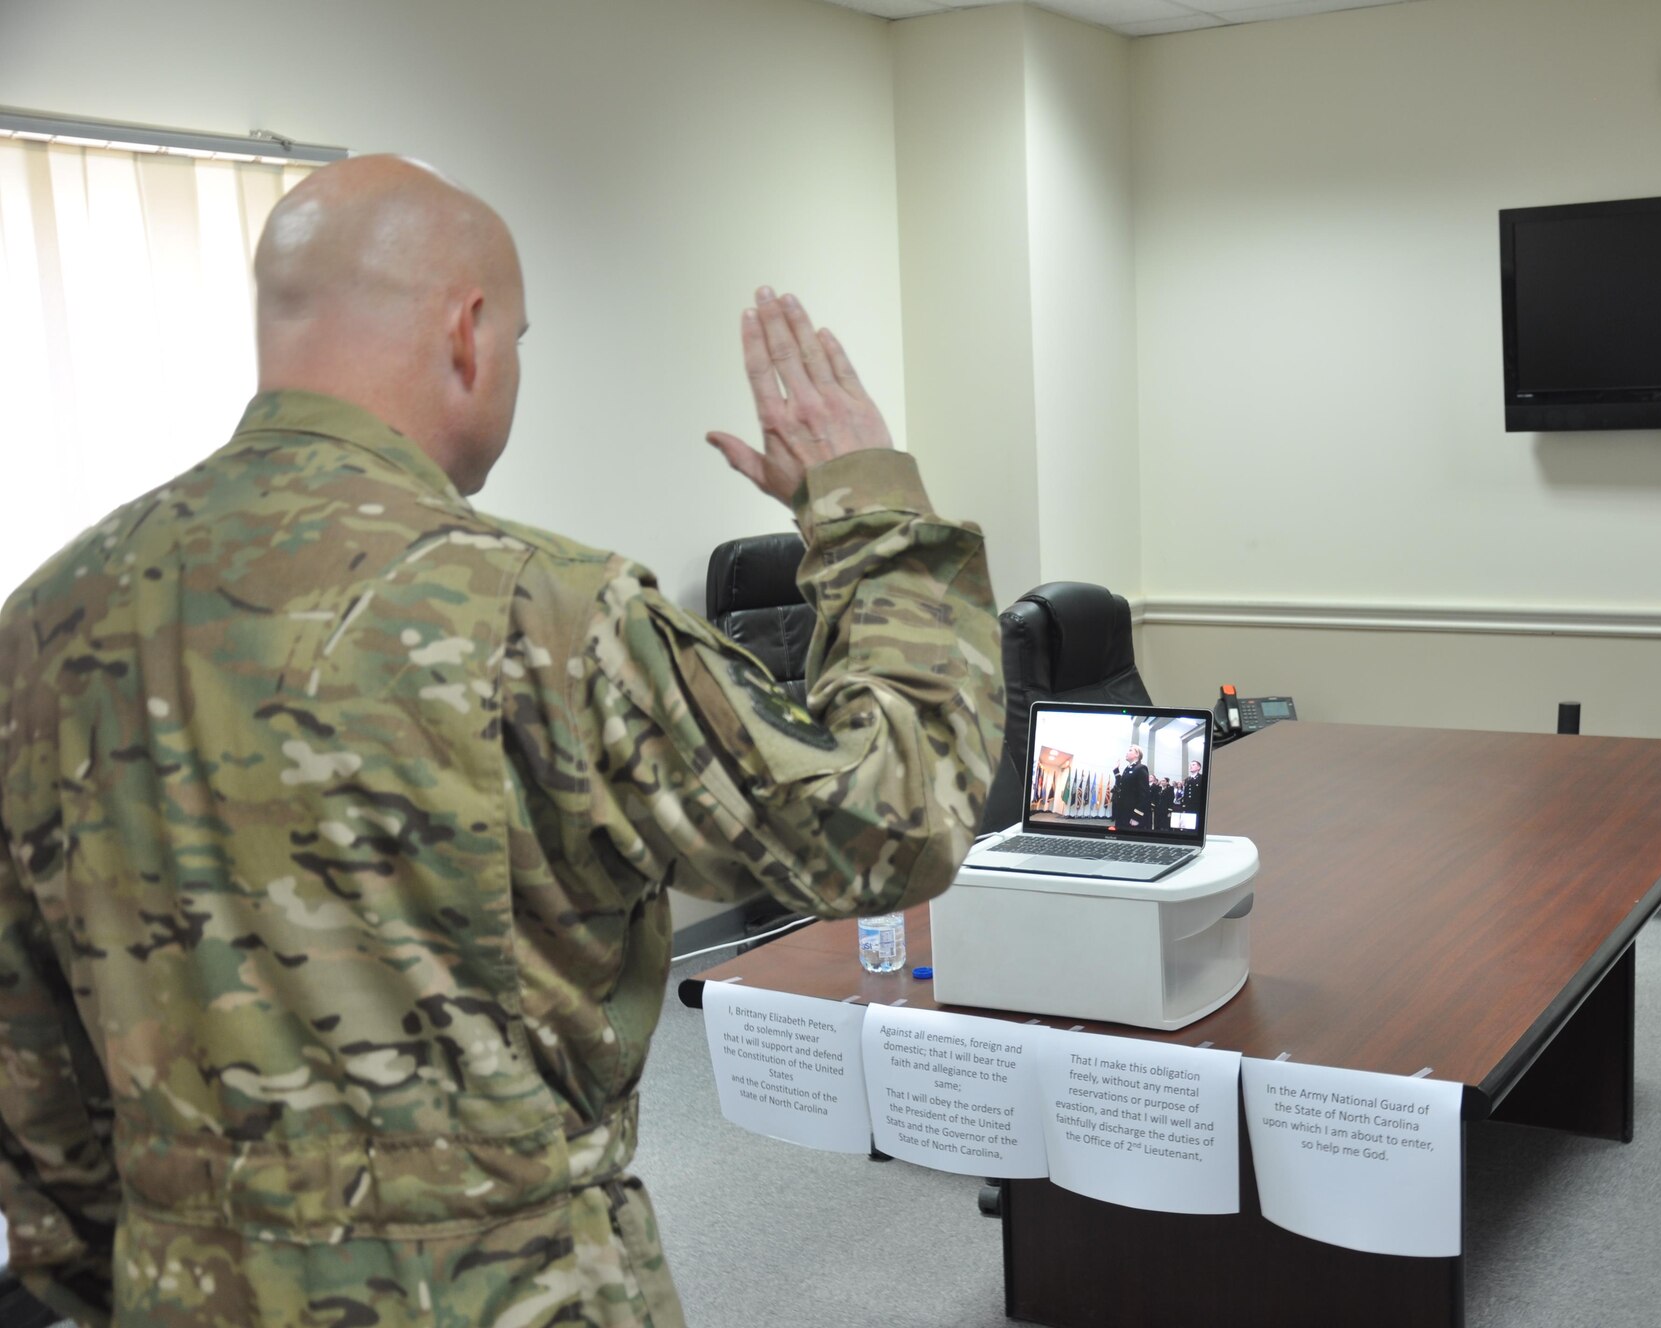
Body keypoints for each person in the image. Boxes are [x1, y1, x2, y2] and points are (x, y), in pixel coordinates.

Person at [0, 156, 1004, 1328]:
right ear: (469, 334)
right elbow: (891, 824)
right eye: (520, 340)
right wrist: (871, 516)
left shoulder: (43, 625)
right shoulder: (547, 612)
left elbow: (33, 1071)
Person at [1110, 747, 1149, 831]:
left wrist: (1137, 816)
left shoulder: (1141, 768)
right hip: (1122, 812)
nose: (1127, 752)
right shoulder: (1128, 769)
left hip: (1131, 814)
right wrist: (1116, 771)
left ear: (1137, 754)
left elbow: (1144, 795)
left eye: (1130, 750)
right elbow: (1122, 786)